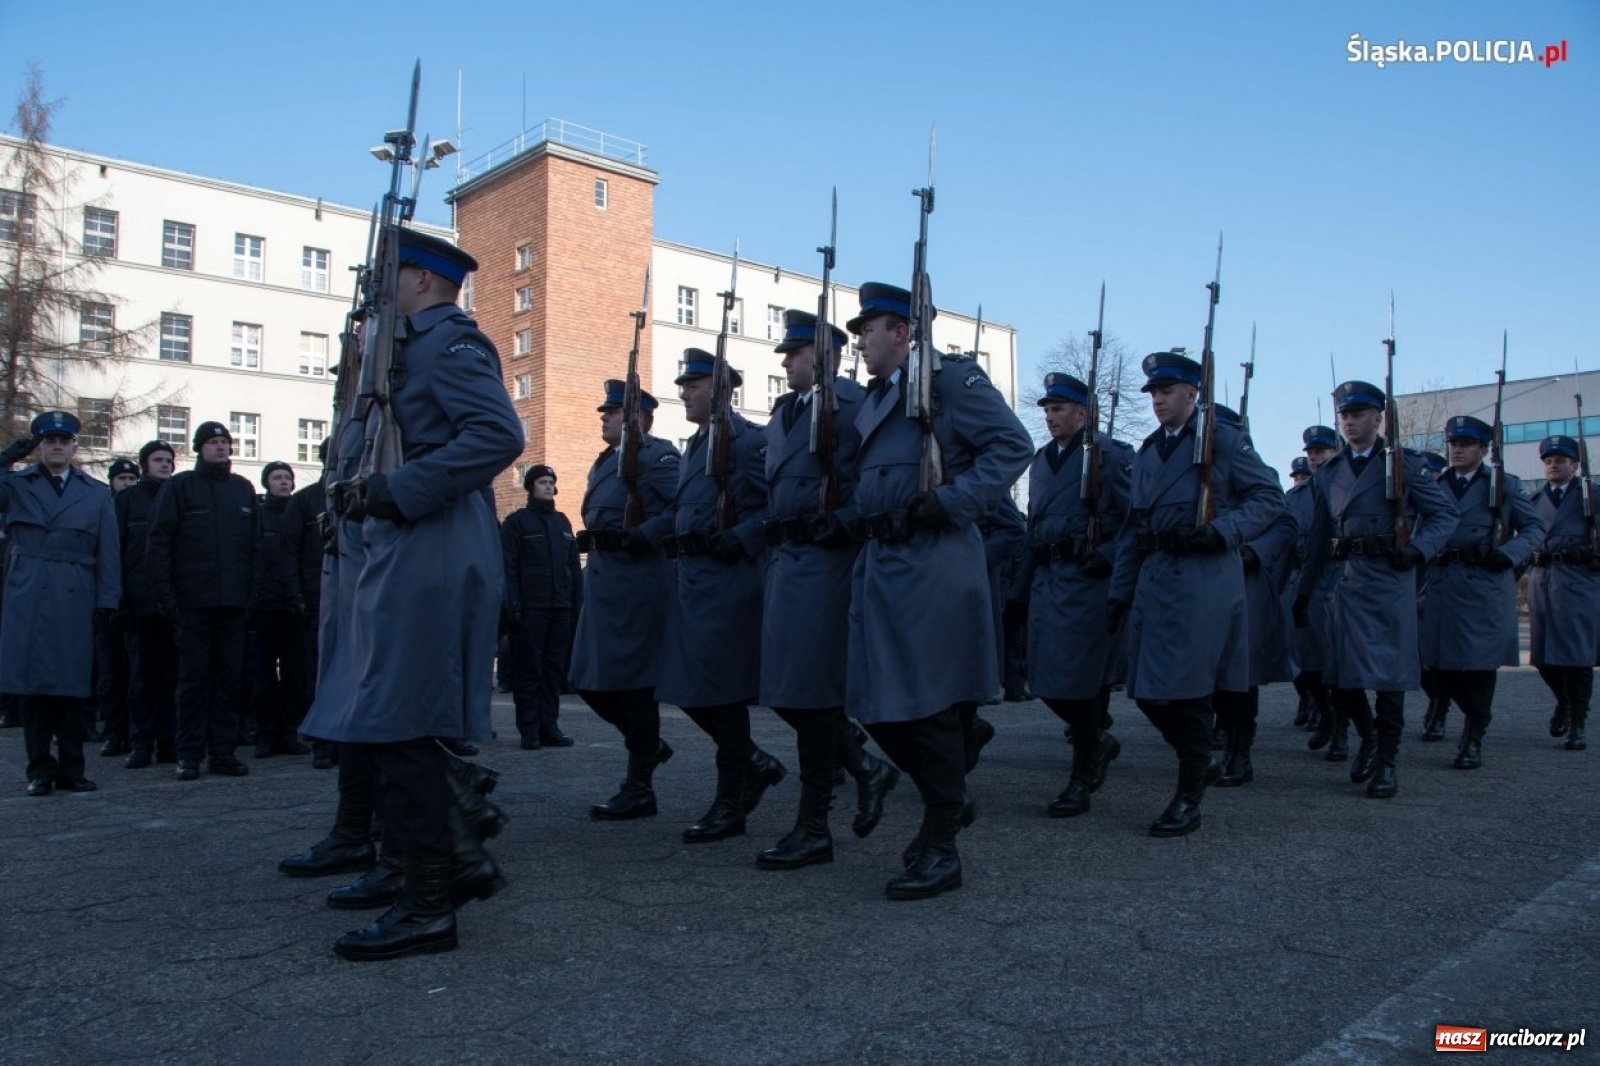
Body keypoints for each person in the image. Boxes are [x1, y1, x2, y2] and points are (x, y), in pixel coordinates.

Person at [300, 228, 522, 961]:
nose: (377, 289)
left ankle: (433, 900)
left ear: (424, 281)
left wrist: (397, 490)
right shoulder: (399, 349)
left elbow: (496, 434)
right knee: (386, 723)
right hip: (398, 541)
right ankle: (416, 871)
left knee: (402, 724)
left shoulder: (452, 341)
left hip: (433, 539)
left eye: (387, 276)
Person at [844, 282, 1033, 899]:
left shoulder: (950, 381)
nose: (859, 340)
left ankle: (942, 844)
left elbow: (1012, 445)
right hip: (882, 564)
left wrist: (947, 503)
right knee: (877, 704)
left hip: (931, 560)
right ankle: (947, 799)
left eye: (867, 327)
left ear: (901, 331)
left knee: (924, 708)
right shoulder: (878, 398)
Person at [1107, 354, 1285, 836]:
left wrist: (1223, 531)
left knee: (1185, 692)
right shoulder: (1147, 452)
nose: (1159, 400)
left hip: (1202, 578)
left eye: (1167, 391)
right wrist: (1119, 593)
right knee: (1144, 689)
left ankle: (1188, 796)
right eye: (1153, 393)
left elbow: (1269, 498)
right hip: (1154, 578)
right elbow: (1132, 529)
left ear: (1193, 393)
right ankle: (1199, 757)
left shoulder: (1222, 440)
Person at [756, 309, 899, 871]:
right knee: (788, 691)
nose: (787, 362)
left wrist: (840, 519)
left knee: (809, 691)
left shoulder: (849, 403)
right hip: (785, 561)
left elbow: (872, 478)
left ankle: (814, 824)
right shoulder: (787, 411)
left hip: (825, 562)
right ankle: (865, 766)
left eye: (794, 353)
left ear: (824, 355)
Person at [1294, 380, 1457, 799]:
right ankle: (1366, 737)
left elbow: (1444, 515)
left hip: (1388, 578)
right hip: (1342, 581)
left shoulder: (1403, 463)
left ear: (1378, 418)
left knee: (1388, 678)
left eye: (1359, 414)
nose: (1350, 422)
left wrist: (1418, 550)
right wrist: (1304, 590)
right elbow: (1317, 538)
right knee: (1341, 678)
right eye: (1345, 415)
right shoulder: (1329, 473)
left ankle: (1387, 760)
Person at [650, 348, 786, 844]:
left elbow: (776, 506)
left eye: (695, 384)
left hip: (728, 581)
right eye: (683, 384)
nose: (684, 392)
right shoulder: (695, 444)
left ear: (722, 389)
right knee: (688, 688)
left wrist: (740, 538)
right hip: (691, 578)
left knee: (717, 691)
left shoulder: (748, 441)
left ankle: (733, 796)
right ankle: (752, 763)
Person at [1008, 372, 1132, 819]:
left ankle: (1083, 772)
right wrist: (1018, 592)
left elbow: (1133, 519)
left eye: (1058, 409)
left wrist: (1110, 555)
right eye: (1046, 409)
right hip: (1046, 580)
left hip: (1087, 580)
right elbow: (1032, 528)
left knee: (1074, 681)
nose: (1049, 416)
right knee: (1044, 679)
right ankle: (1096, 741)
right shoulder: (1042, 462)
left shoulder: (1111, 456)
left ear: (1082, 413)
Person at [570, 380, 682, 819]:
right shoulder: (604, 462)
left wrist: (642, 535)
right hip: (603, 582)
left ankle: (639, 786)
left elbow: (681, 507)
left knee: (635, 687)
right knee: (585, 678)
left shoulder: (658, 456)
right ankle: (649, 746)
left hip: (638, 583)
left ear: (637, 418)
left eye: (613, 412)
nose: (604, 416)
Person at [0, 412, 121, 796]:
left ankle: (72, 768)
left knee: (71, 686)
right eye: (48, 441)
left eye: (63, 441)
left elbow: (109, 551)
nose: (56, 446)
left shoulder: (96, 492)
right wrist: (9, 455)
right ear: (39, 446)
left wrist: (107, 599)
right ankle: (39, 769)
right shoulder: (16, 485)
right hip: (30, 590)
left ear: (73, 447)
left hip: (75, 590)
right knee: (34, 688)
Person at [1418, 416, 1544, 769]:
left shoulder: (1502, 485)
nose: (1457, 450)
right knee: (1435, 665)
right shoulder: (1434, 484)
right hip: (1440, 584)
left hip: (1482, 585)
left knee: (1477, 668)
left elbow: (1535, 528)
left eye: (1466, 444)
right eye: (1453, 444)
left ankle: (1473, 736)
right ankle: (1443, 705)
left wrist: (1505, 557)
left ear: (1484, 450)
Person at [146, 421, 260, 781]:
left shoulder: (243, 489)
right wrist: (165, 593)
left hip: (233, 604)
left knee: (229, 681)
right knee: (193, 681)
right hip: (193, 602)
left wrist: (251, 594)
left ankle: (223, 752)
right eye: (212, 442)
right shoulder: (181, 487)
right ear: (199, 448)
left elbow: (255, 548)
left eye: (225, 442)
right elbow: (160, 540)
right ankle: (189, 753)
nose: (221, 447)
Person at [1209, 405, 1299, 788]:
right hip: (1206, 578)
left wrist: (1253, 552)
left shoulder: (1261, 476)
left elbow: (1284, 525)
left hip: (1244, 579)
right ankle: (1217, 737)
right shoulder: (1194, 473)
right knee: (1209, 668)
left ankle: (1239, 752)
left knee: (1240, 672)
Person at [501, 463, 582, 749]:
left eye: (551, 482)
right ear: (531, 486)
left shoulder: (562, 522)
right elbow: (508, 567)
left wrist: (576, 603)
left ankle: (549, 726)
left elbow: (573, 566)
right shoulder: (517, 523)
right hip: (531, 608)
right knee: (529, 670)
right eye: (542, 482)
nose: (548, 486)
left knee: (553, 670)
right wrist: (513, 605)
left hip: (560, 607)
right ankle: (529, 730)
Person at [1527, 434, 1600, 752]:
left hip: (1579, 580)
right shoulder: (1532, 501)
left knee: (1578, 659)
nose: (1553, 465)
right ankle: (1564, 703)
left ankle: (1578, 724)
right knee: (1543, 659)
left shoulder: (1592, 496)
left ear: (1575, 464)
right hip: (1543, 581)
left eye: (1560, 460)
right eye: (1548, 460)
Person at [116, 440, 180, 768]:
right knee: (141, 678)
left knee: (171, 677)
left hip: (173, 604)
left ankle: (169, 743)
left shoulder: (179, 495)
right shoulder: (128, 500)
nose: (165, 465)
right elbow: (117, 550)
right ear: (145, 464)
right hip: (139, 602)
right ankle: (141, 743)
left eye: (169, 460)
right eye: (158, 459)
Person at [251, 460, 311, 759]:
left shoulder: (300, 512)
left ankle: (288, 733)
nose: (283, 482)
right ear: (267, 483)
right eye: (277, 477)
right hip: (264, 606)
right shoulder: (258, 517)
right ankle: (265, 734)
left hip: (293, 607)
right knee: (263, 676)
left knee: (294, 675)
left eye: (287, 477)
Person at [280, 439, 333, 767]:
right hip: (315, 598)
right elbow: (288, 552)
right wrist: (296, 594)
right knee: (315, 671)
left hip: (355, 599)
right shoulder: (304, 501)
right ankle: (322, 742)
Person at [1296, 426, 1343, 752]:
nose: (1314, 457)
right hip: (1302, 583)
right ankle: (1325, 713)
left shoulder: (1344, 486)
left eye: (1322, 452)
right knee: (1306, 664)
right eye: (1311, 452)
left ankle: (1339, 728)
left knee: (1336, 664)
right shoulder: (1296, 496)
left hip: (1338, 578)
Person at [93, 456, 140, 756]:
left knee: (137, 673)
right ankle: (114, 732)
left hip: (136, 603)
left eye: (131, 479)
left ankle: (135, 732)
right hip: (108, 604)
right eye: (121, 479)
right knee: (110, 674)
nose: (127, 484)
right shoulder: (101, 511)